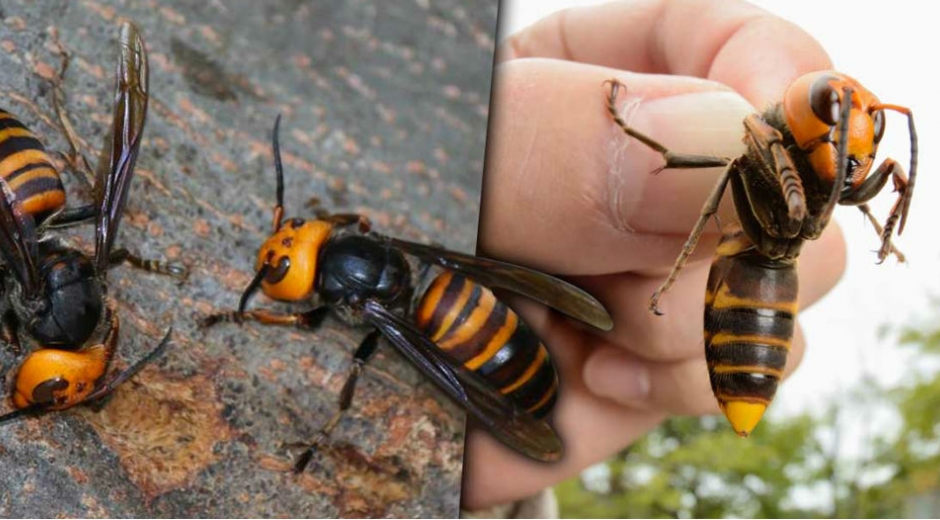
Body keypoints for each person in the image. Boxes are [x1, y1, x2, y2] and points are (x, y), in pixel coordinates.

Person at [462, 0, 846, 513]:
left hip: (762, 285)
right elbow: (683, 160)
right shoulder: (760, 135)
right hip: (753, 281)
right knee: (717, 172)